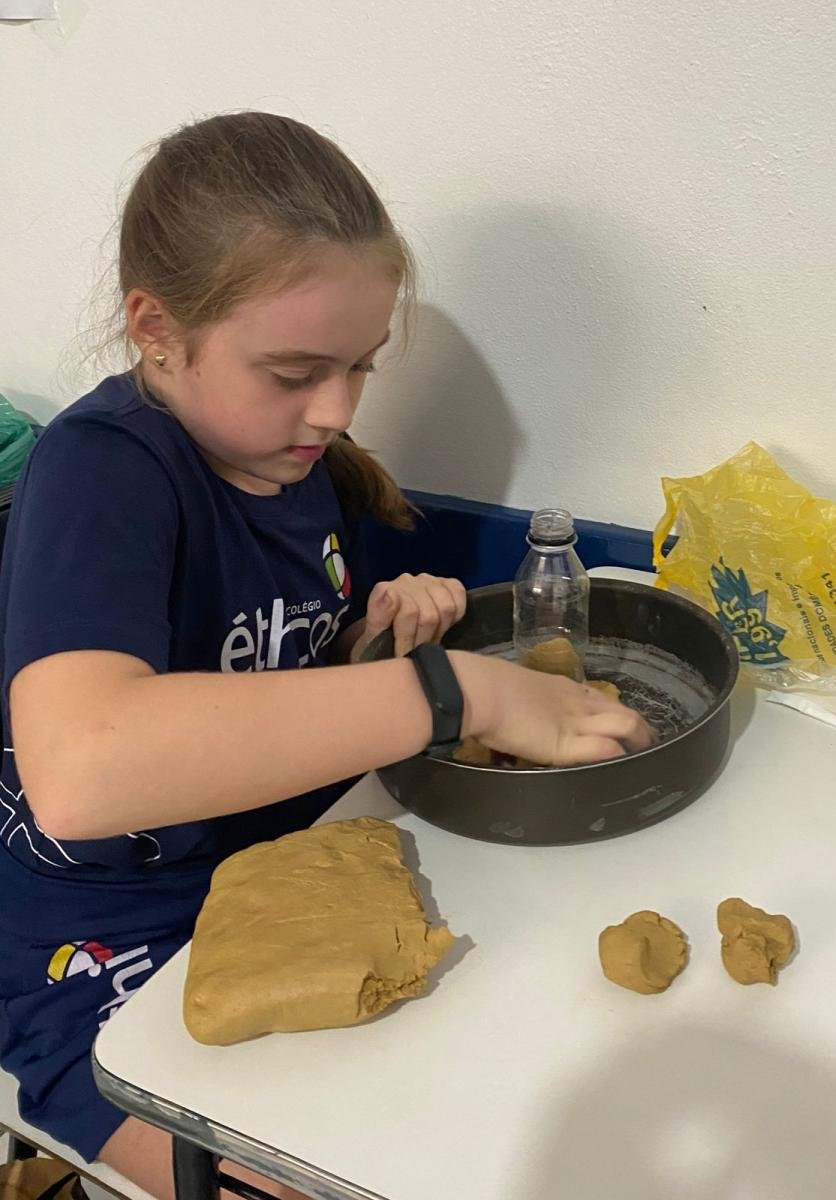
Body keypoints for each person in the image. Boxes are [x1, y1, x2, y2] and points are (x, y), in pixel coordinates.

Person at [0, 111, 653, 1198]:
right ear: (157, 330)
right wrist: (447, 690)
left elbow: (256, 686)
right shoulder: (103, 470)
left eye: (359, 366)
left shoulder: (291, 461)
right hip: (104, 936)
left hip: (285, 860)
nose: (338, 409)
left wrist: (369, 644)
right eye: (295, 370)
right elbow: (83, 772)